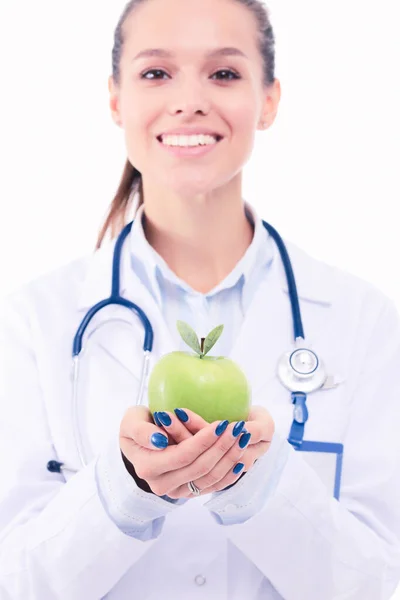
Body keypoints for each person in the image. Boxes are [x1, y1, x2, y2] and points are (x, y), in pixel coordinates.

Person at [1, 0, 400, 598]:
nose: (189, 99)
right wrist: (123, 491)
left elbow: (382, 582)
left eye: (224, 73)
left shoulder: (361, 319)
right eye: (156, 73)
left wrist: (264, 486)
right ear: (115, 99)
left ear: (268, 101)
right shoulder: (34, 320)